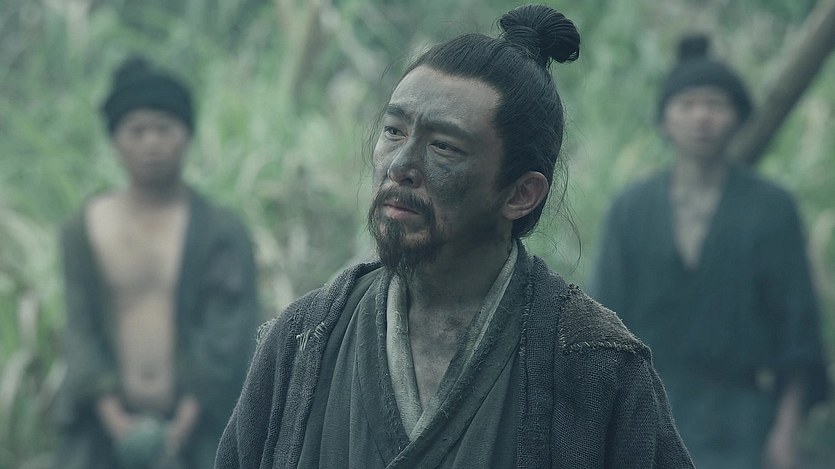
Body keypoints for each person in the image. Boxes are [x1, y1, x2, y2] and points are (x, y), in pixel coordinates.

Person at [215, 5, 693, 468]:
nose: (400, 166)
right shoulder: (303, 340)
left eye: (443, 146)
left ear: (521, 194)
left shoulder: (593, 362)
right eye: (394, 131)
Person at [592, 34, 828, 469]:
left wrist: (786, 429)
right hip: (646, 412)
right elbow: (602, 322)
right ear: (665, 119)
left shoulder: (772, 208)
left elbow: (797, 327)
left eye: (716, 105)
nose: (702, 117)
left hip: (742, 419)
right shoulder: (631, 209)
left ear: (738, 117)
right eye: (687, 104)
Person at [53, 56, 261, 469]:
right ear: (115, 139)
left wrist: (180, 429)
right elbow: (80, 330)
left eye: (164, 128)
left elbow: (227, 334)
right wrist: (118, 425)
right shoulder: (85, 226)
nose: (151, 143)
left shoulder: (220, 230)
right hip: (104, 432)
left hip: (200, 430)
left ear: (187, 135)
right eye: (136, 130)